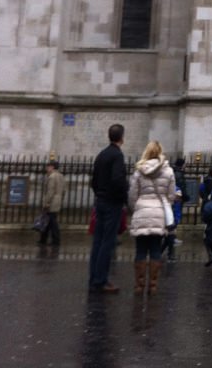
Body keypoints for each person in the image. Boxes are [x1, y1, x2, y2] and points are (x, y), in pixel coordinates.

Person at [128, 140, 176, 296]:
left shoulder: (138, 171)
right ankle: (153, 285)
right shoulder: (168, 172)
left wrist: (138, 207)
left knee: (141, 251)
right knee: (156, 250)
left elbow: (132, 196)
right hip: (159, 213)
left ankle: (139, 285)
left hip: (142, 211)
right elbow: (171, 196)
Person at [89, 123, 128, 294]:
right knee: (107, 242)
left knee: (98, 241)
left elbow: (94, 181)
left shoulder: (102, 155)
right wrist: (123, 198)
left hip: (101, 201)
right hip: (112, 203)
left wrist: (100, 194)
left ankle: (94, 278)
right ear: (122, 138)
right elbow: (117, 180)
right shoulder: (117, 155)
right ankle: (101, 280)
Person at [37, 159, 65, 248]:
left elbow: (50, 191)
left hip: (52, 202)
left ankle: (56, 240)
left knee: (52, 222)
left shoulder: (52, 177)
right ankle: (43, 239)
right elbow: (64, 190)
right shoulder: (61, 176)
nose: (47, 168)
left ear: (52, 167)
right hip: (58, 200)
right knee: (48, 221)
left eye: (48, 166)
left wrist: (46, 203)